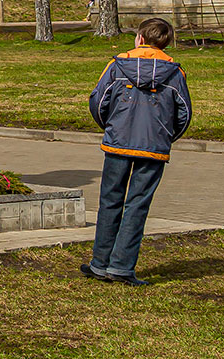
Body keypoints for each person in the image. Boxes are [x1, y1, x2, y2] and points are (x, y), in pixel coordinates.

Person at [83, 17, 193, 286]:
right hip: (154, 147)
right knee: (137, 205)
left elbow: (98, 102)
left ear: (140, 39)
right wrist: (166, 136)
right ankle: (120, 266)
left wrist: (111, 127)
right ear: (165, 44)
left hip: (118, 142)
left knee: (110, 201)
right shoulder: (175, 73)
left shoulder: (116, 66)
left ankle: (101, 263)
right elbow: (184, 114)